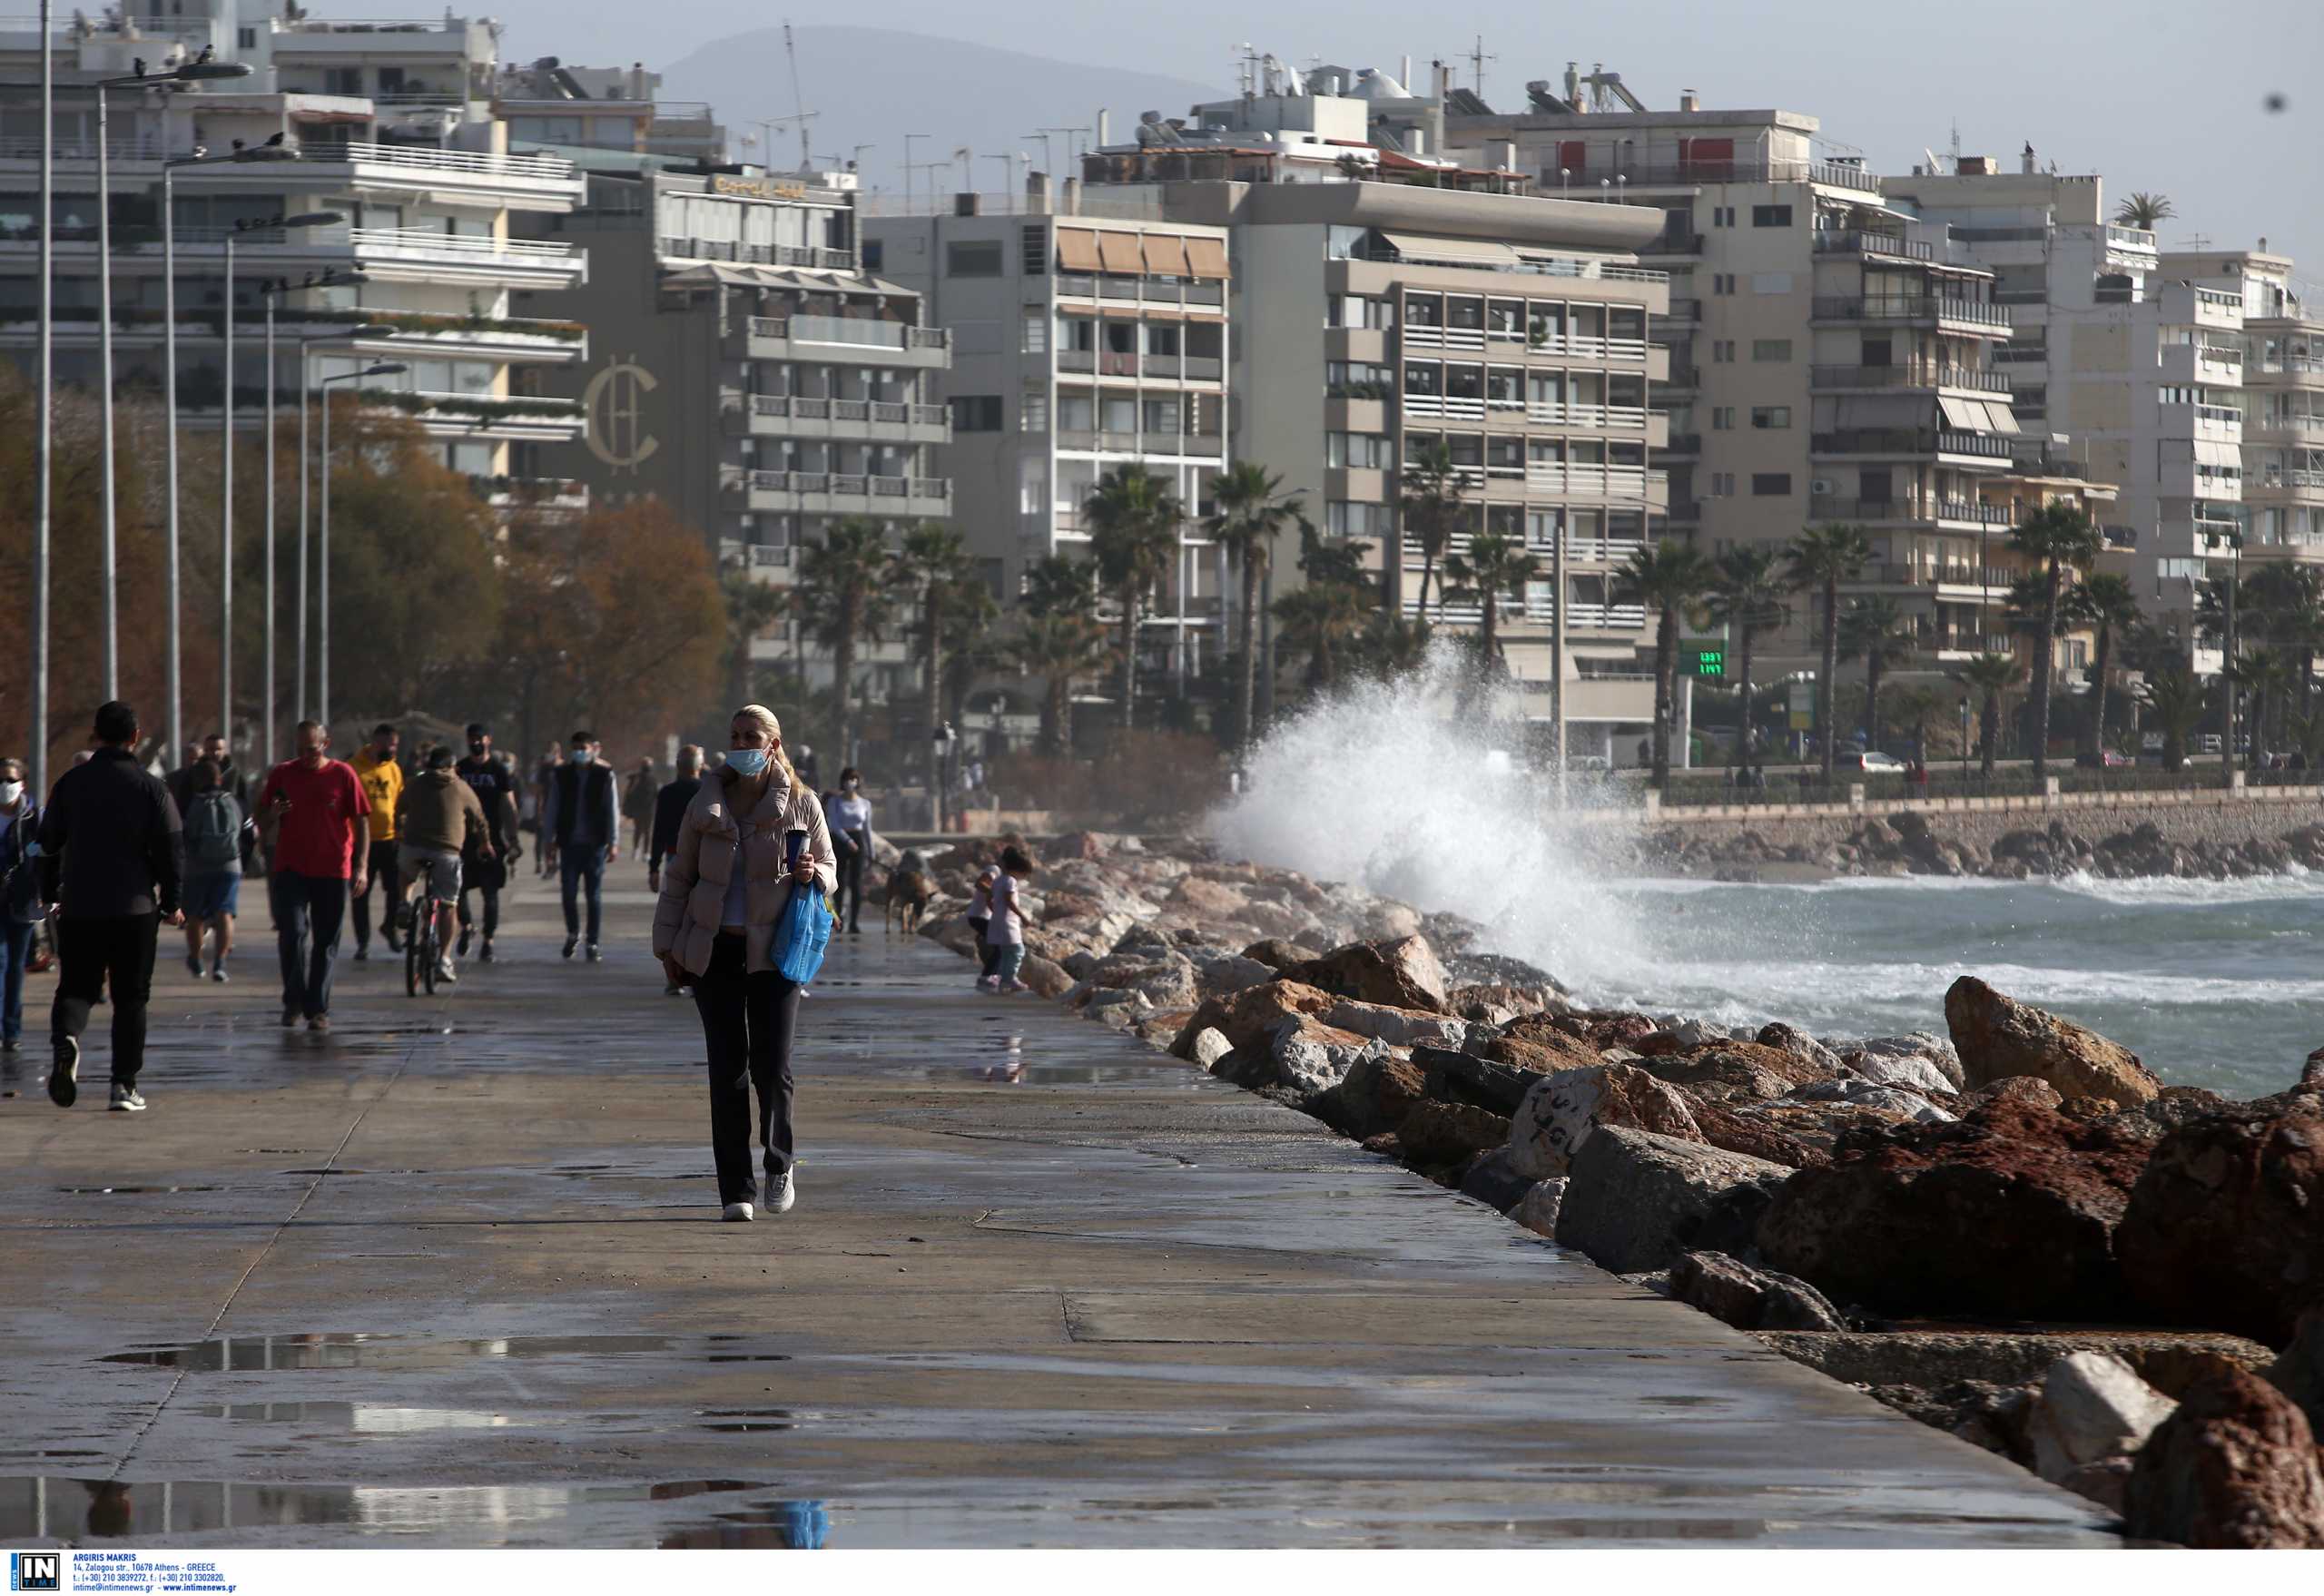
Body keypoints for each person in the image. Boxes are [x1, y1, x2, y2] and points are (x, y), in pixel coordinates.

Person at [654, 704, 835, 1223]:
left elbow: (831, 867)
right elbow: (679, 879)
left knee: (772, 1068)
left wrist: (813, 872)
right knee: (727, 1072)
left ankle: (780, 1162)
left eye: (751, 736)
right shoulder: (703, 804)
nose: (741, 743)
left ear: (773, 744)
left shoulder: (803, 804)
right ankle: (737, 1189)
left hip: (778, 954)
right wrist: (666, 947)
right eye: (734, 735)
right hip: (715, 952)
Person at [35, 701, 183, 1111]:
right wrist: (172, 902)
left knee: (77, 988)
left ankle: (67, 1038)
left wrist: (49, 893)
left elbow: (47, 843)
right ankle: (123, 1085)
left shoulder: (71, 784)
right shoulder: (152, 788)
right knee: (131, 998)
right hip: (135, 908)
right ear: (135, 737)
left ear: (96, 735)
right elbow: (172, 849)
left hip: (80, 906)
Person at [256, 720, 371, 1032]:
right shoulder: (282, 774)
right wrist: (274, 815)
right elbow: (261, 818)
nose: (305, 756)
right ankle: (293, 1001)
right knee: (292, 934)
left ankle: (317, 1008)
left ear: (325, 744)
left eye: (311, 749)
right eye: (299, 750)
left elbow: (361, 821)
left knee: (325, 941)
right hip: (291, 868)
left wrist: (361, 866)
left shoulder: (343, 775)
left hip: (332, 870)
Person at [395, 745, 491, 985]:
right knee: (448, 905)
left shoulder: (415, 783)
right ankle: (444, 960)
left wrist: (400, 828)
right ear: (453, 767)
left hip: (413, 848)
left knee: (407, 873)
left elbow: (399, 808)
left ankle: (405, 902)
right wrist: (484, 844)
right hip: (447, 853)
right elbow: (479, 820)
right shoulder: (461, 787)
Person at [542, 729, 619, 961]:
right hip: (569, 843)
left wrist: (613, 841)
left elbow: (612, 808)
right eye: (575, 749)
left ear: (593, 749)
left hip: (594, 844)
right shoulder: (562, 774)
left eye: (583, 749)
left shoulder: (605, 774)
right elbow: (552, 807)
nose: (579, 753)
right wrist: (548, 840)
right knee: (568, 893)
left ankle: (592, 941)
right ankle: (573, 933)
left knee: (593, 895)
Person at [178, 758, 249, 983]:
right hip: (229, 866)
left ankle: (197, 960)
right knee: (225, 913)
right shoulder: (235, 802)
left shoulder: (189, 803)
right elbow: (248, 835)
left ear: (196, 780)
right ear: (219, 778)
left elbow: (181, 836)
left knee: (195, 916)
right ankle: (220, 962)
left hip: (197, 866)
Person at [454, 724, 520, 963]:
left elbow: (509, 807)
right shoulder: (460, 769)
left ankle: (488, 941)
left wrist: (513, 840)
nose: (475, 743)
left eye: (479, 739)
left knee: (490, 894)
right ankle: (467, 926)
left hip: (492, 841)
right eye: (471, 739)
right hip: (463, 840)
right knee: (458, 890)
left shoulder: (498, 770)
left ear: (489, 740)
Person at [648, 745, 705, 996]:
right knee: (700, 919)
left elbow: (659, 830)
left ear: (679, 765)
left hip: (675, 857)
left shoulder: (667, 793)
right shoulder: (708, 792)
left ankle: (674, 976)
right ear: (700, 766)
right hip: (705, 861)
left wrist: (653, 865)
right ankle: (697, 974)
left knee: (674, 916)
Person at [348, 724, 404, 961]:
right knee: (361, 892)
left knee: (396, 890)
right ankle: (363, 942)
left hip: (390, 840)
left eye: (395, 745)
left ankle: (389, 926)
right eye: (388, 744)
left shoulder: (393, 769)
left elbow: (400, 801)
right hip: (361, 842)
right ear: (375, 742)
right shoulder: (353, 768)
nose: (392, 749)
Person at [0, 756, 39, 1052]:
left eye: (11, 780)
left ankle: (12, 1031)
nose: (6, 786)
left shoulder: (33, 816)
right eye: (1, 780)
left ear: (22, 783)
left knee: (15, 966)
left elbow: (47, 857)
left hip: (23, 901)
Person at [824, 767, 872, 935]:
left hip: (858, 841)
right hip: (840, 841)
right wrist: (848, 840)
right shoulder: (835, 801)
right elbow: (834, 825)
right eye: (847, 779)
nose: (850, 782)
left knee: (856, 883)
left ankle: (854, 922)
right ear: (842, 781)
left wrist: (870, 852)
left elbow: (867, 830)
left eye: (854, 779)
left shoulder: (865, 804)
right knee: (840, 882)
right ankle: (840, 918)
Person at [985, 846, 1034, 994]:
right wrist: (1023, 916)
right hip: (1008, 924)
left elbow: (988, 899)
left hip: (997, 921)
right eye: (1024, 874)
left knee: (1005, 953)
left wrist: (996, 912)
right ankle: (1010, 979)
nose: (1024, 877)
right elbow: (1009, 901)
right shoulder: (1011, 881)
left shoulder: (998, 880)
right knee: (1017, 951)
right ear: (1018, 870)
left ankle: (1000, 979)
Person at [966, 862, 1001, 991]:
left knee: (998, 947)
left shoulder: (1000, 878)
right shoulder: (994, 870)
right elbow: (979, 883)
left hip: (979, 918)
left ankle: (992, 975)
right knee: (1000, 947)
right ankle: (988, 976)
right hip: (979, 917)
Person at [529, 743, 564, 877]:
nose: (551, 755)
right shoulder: (544, 770)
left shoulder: (565, 768)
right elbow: (539, 792)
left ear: (558, 752)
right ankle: (549, 864)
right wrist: (539, 810)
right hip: (547, 807)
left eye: (553, 752)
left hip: (563, 808)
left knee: (560, 837)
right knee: (546, 838)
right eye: (548, 752)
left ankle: (557, 861)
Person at [623, 756, 657, 856]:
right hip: (640, 808)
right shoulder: (637, 778)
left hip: (649, 809)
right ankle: (637, 849)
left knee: (646, 831)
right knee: (639, 830)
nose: (647, 766)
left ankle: (645, 852)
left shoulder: (652, 778)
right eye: (646, 764)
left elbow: (655, 794)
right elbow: (629, 794)